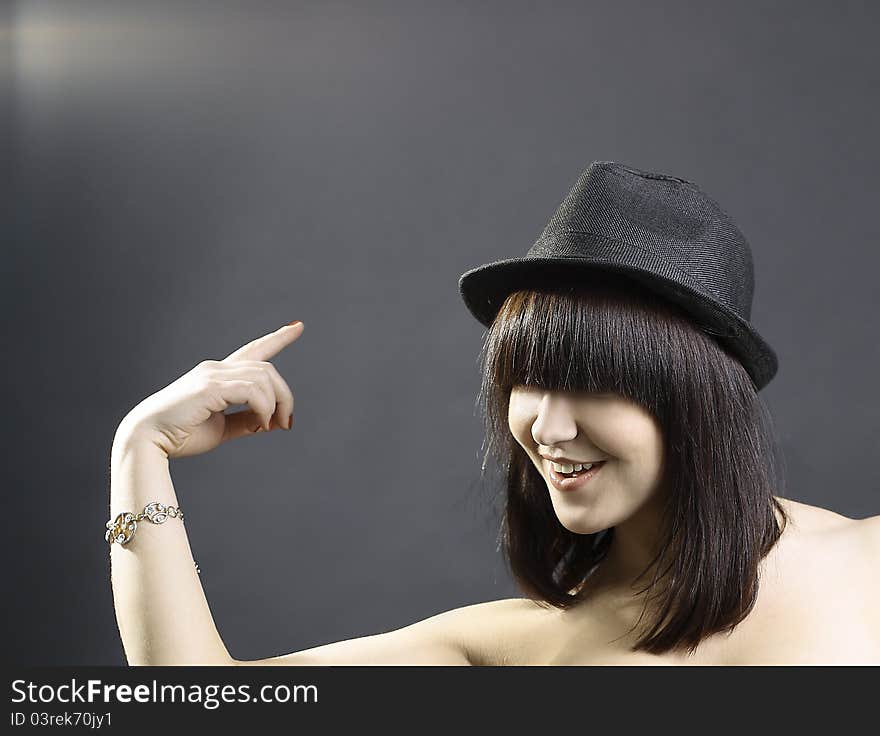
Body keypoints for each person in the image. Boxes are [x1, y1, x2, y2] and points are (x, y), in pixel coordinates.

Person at [107, 162, 880, 665]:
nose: (546, 427)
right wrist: (139, 450)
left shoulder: (867, 564)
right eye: (527, 382)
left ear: (699, 406)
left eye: (595, 384)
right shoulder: (513, 650)